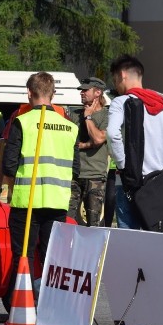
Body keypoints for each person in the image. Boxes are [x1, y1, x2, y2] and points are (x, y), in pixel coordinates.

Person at [2, 72, 78, 304]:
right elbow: (75, 167)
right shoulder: (70, 126)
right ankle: (51, 310)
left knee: (22, 257)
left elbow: (9, 165)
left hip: (28, 201)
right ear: (53, 94)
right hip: (57, 202)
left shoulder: (22, 122)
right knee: (51, 258)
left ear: (29, 93)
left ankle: (22, 309)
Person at [107, 55, 163, 232]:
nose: (116, 85)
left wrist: (123, 165)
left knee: (129, 234)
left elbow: (113, 134)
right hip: (158, 180)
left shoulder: (121, 102)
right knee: (154, 233)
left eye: (115, 80)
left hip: (130, 181)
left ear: (122, 75)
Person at [68, 77, 110, 227]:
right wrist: (88, 144)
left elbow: (98, 139)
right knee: (68, 222)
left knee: (93, 224)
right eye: (81, 90)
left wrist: (88, 117)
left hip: (95, 176)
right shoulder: (73, 115)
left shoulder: (107, 115)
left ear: (98, 92)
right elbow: (69, 141)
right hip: (74, 174)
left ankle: (93, 251)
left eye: (86, 90)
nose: (82, 93)